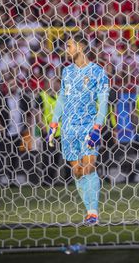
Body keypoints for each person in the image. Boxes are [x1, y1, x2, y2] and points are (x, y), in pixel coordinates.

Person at [48, 32, 110, 225]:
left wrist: (97, 126)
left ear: (81, 47)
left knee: (89, 166)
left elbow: (104, 100)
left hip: (88, 125)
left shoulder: (97, 72)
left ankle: (93, 212)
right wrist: (53, 122)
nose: (67, 50)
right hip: (68, 128)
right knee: (77, 171)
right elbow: (62, 98)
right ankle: (88, 209)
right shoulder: (67, 72)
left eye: (69, 46)